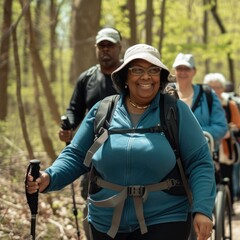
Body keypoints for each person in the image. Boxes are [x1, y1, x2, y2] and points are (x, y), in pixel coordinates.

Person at [26, 44, 215, 240]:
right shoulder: (103, 111)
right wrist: (49, 177)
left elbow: (200, 162)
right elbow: (76, 155)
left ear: (161, 77)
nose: (146, 76)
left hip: (165, 218)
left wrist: (202, 210)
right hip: (105, 221)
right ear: (124, 76)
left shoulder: (175, 112)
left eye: (153, 70)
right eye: (137, 70)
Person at [59, 27, 123, 144]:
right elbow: (74, 111)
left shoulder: (131, 75)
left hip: (126, 140)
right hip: (94, 145)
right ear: (96, 48)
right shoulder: (86, 78)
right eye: (101, 46)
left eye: (110, 45)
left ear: (119, 47)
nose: (105, 49)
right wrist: (68, 128)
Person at [172, 53, 228, 155]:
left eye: (187, 69)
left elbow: (221, 127)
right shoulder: (165, 94)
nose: (183, 72)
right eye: (179, 68)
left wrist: (194, 133)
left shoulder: (207, 95)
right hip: (170, 158)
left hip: (200, 156)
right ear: (174, 71)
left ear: (194, 71)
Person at [203, 73, 240, 209]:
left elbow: (239, 125)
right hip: (207, 146)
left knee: (227, 177)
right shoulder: (203, 104)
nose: (215, 89)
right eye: (211, 86)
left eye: (218, 86)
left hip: (225, 149)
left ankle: (228, 206)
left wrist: (228, 129)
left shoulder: (230, 104)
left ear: (223, 88)